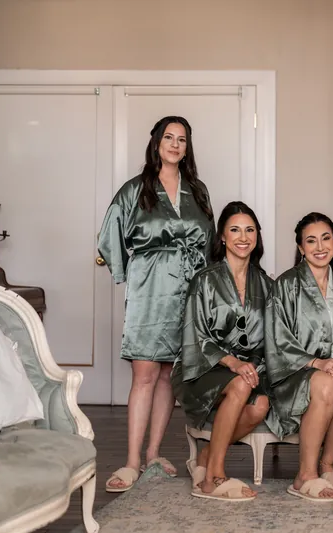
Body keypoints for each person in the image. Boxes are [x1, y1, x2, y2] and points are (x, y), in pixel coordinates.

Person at [98, 116, 215, 492]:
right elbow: (109, 235)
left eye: (182, 139)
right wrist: (127, 273)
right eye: (169, 137)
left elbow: (210, 241)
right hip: (150, 290)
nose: (175, 144)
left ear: (187, 147)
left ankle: (154, 454)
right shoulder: (135, 190)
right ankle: (132, 461)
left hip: (189, 289)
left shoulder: (197, 191)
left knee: (169, 375)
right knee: (145, 374)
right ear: (156, 142)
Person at [171, 201, 271, 501]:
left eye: (250, 230)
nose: (243, 237)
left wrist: (252, 365)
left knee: (261, 404)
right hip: (200, 368)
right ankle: (213, 477)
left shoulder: (265, 284)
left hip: (246, 370)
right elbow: (194, 335)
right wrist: (232, 363)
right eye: (235, 230)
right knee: (241, 383)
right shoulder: (204, 280)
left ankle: (203, 457)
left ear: (257, 236)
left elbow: (269, 339)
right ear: (222, 237)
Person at [265, 213, 333, 502]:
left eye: (326, 238)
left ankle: (327, 465)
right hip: (292, 375)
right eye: (311, 240)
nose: (320, 246)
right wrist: (317, 363)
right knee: (324, 384)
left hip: (332, 372)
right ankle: (304, 475)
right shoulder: (285, 285)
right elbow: (277, 338)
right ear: (300, 247)